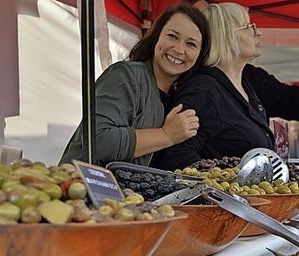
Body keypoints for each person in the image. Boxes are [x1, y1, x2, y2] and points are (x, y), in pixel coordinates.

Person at [151, 2, 299, 170]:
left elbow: (286, 98)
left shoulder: (248, 80)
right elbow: (176, 157)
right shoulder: (203, 90)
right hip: (223, 211)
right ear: (228, 35)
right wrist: (230, 180)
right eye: (249, 27)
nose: (258, 33)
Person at [60, 4, 210, 166]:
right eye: (172, 36)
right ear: (157, 36)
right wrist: (167, 135)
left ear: (200, 54)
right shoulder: (125, 76)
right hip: (83, 186)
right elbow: (97, 141)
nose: (179, 49)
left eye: (191, 44)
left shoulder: (182, 97)